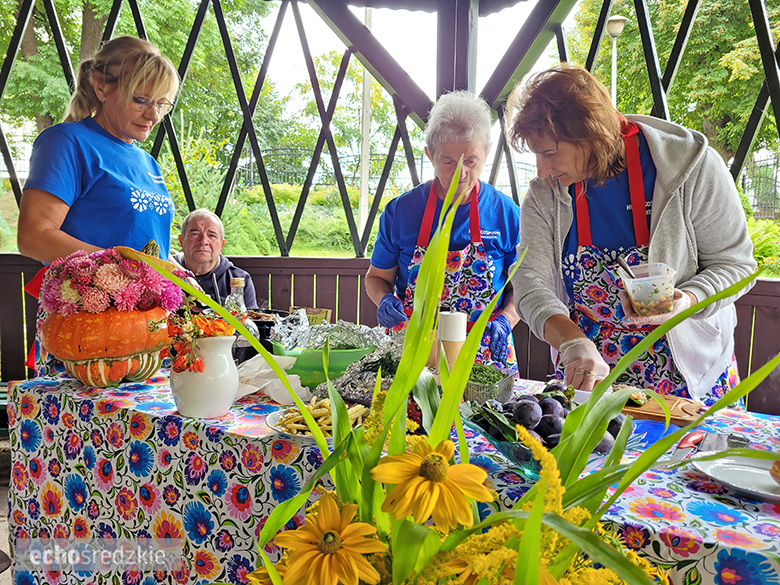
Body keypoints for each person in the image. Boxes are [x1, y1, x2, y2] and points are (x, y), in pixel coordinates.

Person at [505, 63, 756, 405]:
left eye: (549, 153)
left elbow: (736, 266)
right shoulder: (545, 192)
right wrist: (572, 342)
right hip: (593, 375)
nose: (542, 169)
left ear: (589, 134)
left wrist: (688, 300)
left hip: (688, 377)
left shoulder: (692, 167)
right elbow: (530, 281)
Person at [366, 91, 521, 369]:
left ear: (486, 153)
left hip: (483, 350)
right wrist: (385, 300)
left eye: (471, 161)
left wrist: (506, 319)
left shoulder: (505, 213)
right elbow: (376, 277)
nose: (461, 173)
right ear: (430, 155)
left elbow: (522, 287)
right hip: (413, 348)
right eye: (448, 162)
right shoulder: (401, 212)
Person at [18, 36, 179, 263]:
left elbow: (146, 247)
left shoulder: (147, 162)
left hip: (147, 298)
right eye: (141, 100)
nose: (154, 115)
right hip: (87, 297)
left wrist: (178, 276)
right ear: (101, 88)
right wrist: (126, 268)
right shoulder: (67, 142)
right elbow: (34, 237)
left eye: (161, 104)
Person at [174, 208, 257, 308]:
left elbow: (249, 321)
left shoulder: (238, 279)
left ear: (221, 245)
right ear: (181, 241)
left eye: (212, 235)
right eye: (195, 234)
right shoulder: (163, 272)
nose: (204, 241)